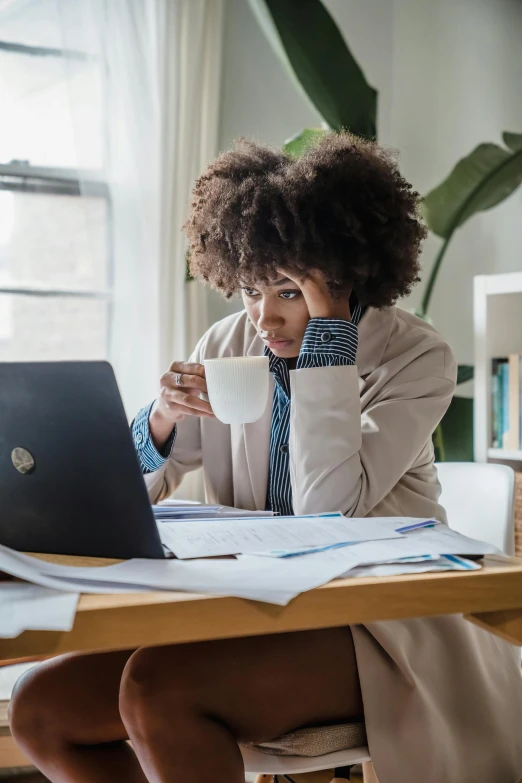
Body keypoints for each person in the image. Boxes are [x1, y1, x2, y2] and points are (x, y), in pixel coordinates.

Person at [9, 134, 522, 783]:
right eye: (251, 290)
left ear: (344, 274)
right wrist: (163, 420)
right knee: (41, 709)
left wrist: (328, 345)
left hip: (378, 626)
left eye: (288, 291)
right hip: (248, 606)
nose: (263, 318)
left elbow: (330, 507)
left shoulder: (415, 357)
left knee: (159, 689)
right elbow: (130, 494)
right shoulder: (228, 343)